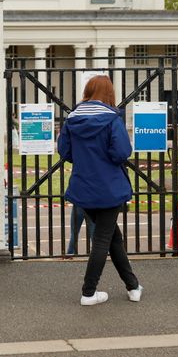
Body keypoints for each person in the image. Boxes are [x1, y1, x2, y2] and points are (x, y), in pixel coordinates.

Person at [57, 75, 142, 306]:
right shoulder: (112, 119)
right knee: (103, 239)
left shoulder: (72, 119)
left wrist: (85, 160)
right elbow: (122, 153)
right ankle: (88, 291)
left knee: (113, 237)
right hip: (109, 188)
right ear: (108, 93)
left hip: (83, 188)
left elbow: (64, 151)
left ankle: (133, 285)